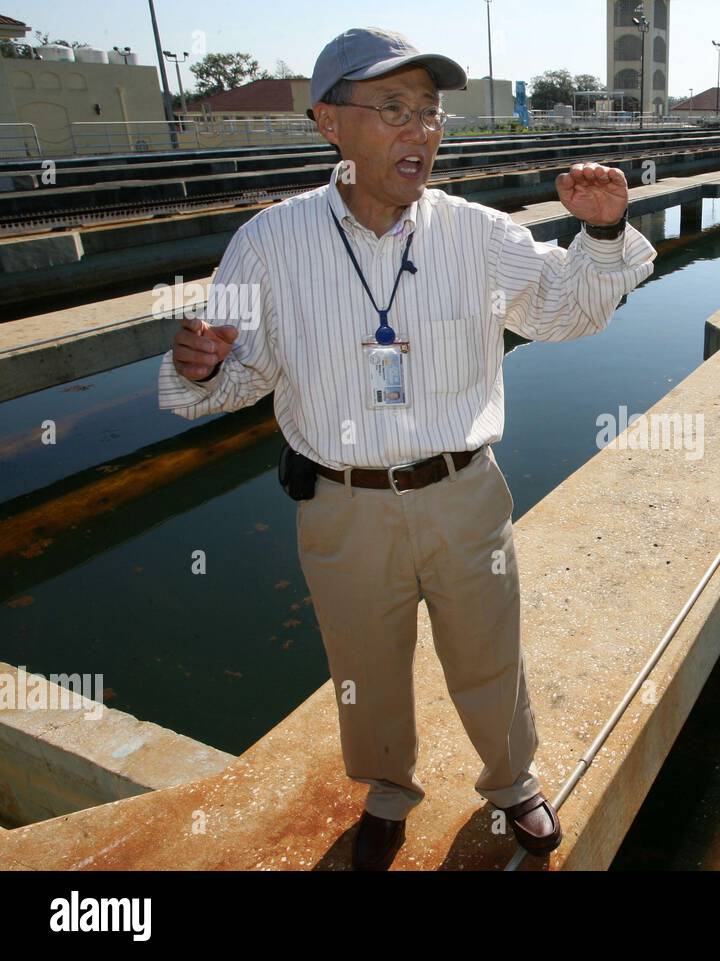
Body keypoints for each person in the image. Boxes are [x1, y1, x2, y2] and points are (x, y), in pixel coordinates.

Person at [157, 27, 656, 870]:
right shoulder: (270, 242)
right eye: (392, 109)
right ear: (329, 123)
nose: (419, 130)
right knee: (365, 667)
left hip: (463, 491)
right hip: (341, 502)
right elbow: (239, 371)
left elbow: (567, 312)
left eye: (429, 112)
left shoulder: (475, 233)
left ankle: (513, 782)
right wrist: (199, 365)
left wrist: (602, 235)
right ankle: (388, 793)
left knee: (489, 653)